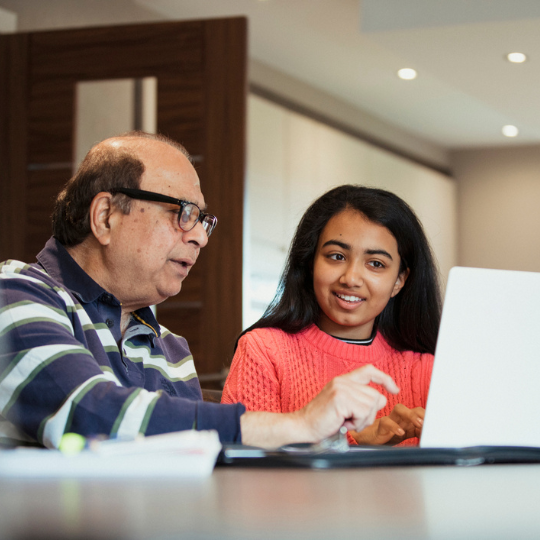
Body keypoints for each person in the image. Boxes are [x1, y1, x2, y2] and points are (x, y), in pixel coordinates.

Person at [0, 132, 399, 450]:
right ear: (105, 216)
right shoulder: (15, 296)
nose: (200, 239)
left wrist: (333, 439)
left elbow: (188, 455)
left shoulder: (168, 347)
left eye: (202, 220)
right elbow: (89, 415)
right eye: (183, 213)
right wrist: (300, 423)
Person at [222, 184, 442, 446]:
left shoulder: (428, 370)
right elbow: (246, 470)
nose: (350, 278)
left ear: (399, 281)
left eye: (376, 264)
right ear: (310, 262)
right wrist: (355, 445)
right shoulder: (264, 351)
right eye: (336, 256)